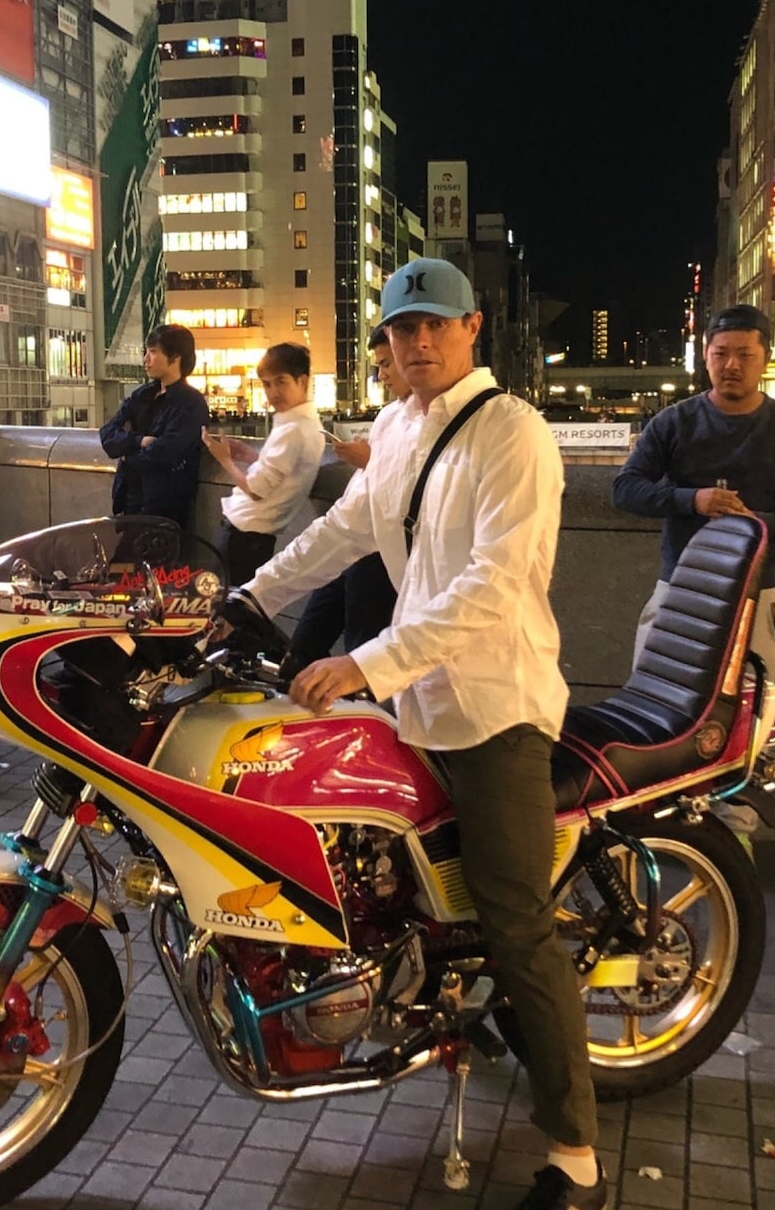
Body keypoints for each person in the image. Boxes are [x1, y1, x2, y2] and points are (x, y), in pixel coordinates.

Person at [241, 259, 605, 1210]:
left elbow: (493, 586)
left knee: (517, 922)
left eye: (435, 324)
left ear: (472, 327)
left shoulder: (512, 432)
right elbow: (342, 532)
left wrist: (367, 663)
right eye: (403, 329)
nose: (418, 342)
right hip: (417, 702)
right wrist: (248, 598)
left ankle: (575, 1152)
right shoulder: (398, 426)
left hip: (493, 710)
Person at [612, 304, 775, 681]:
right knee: (660, 696)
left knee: (748, 703)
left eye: (745, 355)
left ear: (765, 359)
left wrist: (756, 524)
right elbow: (625, 489)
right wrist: (692, 499)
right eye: (721, 353)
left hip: (756, 588)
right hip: (680, 583)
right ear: (706, 355)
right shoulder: (673, 422)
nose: (731, 365)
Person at [281, 323, 408, 678]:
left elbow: (412, 489)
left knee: (361, 649)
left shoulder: (432, 424)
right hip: (349, 543)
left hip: (378, 556)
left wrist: (369, 460)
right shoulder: (390, 416)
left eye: (386, 364)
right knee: (302, 647)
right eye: (379, 366)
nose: (382, 375)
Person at [202, 342, 323, 586]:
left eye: (281, 382)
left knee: (225, 604)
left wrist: (224, 459)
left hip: (243, 537)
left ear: (302, 381)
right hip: (254, 539)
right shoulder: (308, 424)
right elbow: (283, 474)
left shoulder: (292, 430)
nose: (273, 392)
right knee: (239, 603)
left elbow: (256, 490)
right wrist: (250, 455)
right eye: (267, 384)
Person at [99, 324, 209, 531]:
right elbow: (107, 434)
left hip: (164, 509)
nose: (145, 359)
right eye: (146, 352)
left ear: (175, 358)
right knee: (122, 553)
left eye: (153, 352)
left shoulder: (191, 404)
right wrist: (138, 441)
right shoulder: (143, 395)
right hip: (127, 501)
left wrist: (126, 455)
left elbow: (164, 453)